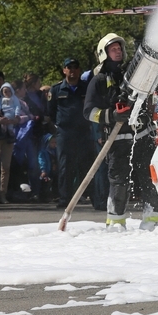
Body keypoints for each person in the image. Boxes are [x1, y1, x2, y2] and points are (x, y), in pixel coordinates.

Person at [84, 33, 158, 232]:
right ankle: (116, 223)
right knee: (119, 182)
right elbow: (89, 112)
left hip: (142, 135)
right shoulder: (99, 80)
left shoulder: (132, 73)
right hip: (118, 139)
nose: (118, 52)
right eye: (113, 49)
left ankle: (154, 220)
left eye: (119, 48)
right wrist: (111, 115)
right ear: (104, 53)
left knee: (149, 178)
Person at [48, 57, 94, 208]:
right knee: (65, 166)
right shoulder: (56, 90)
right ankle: (64, 199)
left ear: (79, 70)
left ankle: (91, 197)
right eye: (69, 67)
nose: (72, 70)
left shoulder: (86, 87)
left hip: (83, 132)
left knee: (86, 165)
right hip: (65, 132)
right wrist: (56, 131)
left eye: (75, 67)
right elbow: (51, 112)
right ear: (64, 70)